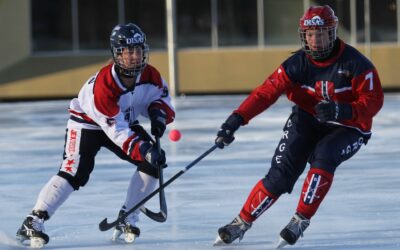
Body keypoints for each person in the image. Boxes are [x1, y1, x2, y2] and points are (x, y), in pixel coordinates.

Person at [213, 5, 383, 248]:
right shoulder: (296, 64)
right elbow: (266, 93)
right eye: (310, 35)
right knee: (280, 175)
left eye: (321, 33)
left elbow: (374, 100)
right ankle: (241, 222)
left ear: (333, 33)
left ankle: (301, 218)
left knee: (324, 156)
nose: (315, 40)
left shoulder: (356, 64)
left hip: (350, 126)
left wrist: (342, 110)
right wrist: (236, 120)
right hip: (308, 119)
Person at [16, 23, 175, 248]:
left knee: (152, 164)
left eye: (138, 49)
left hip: (122, 120)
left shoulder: (151, 75)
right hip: (88, 123)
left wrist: (158, 115)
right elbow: (117, 132)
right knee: (75, 171)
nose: (135, 56)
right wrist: (146, 149)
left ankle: (128, 215)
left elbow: (161, 98)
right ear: (117, 54)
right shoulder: (104, 86)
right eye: (129, 51)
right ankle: (34, 220)